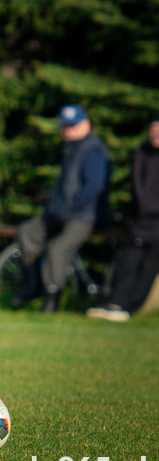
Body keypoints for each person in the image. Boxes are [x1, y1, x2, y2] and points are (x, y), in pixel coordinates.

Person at [12, 104, 111, 313]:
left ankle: (52, 297)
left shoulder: (93, 150)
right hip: (58, 213)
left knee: (57, 249)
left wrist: (73, 203)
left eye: (72, 126)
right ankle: (34, 284)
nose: (68, 131)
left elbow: (94, 185)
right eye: (65, 127)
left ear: (85, 125)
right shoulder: (70, 148)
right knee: (27, 232)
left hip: (82, 216)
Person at [87, 112, 159, 321]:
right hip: (141, 221)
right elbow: (138, 188)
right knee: (129, 262)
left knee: (149, 268)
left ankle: (128, 308)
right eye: (153, 129)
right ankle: (115, 304)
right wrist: (145, 209)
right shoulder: (141, 153)